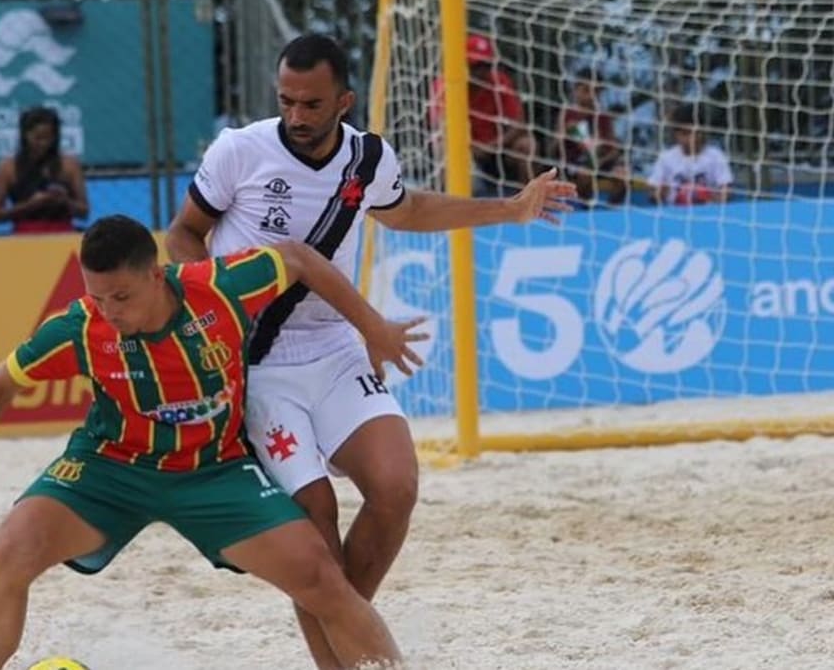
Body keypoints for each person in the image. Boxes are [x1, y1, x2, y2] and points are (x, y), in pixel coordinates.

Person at [167, 33, 576, 670]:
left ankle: (344, 636)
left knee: (396, 487)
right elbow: (184, 235)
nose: (297, 116)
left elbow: (406, 209)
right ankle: (348, 654)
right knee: (316, 523)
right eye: (287, 102)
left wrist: (511, 208)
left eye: (311, 104)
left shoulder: (368, 159)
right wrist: (219, 302)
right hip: (258, 363)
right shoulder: (238, 151)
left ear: (345, 101)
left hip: (335, 348)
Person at [0, 215, 426, 670]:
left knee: (319, 575)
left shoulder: (219, 287)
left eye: (120, 296)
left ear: (156, 274)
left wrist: (372, 327)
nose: (109, 311)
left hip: (214, 471)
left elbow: (299, 257)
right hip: (110, 469)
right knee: (12, 547)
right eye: (97, 297)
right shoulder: (82, 327)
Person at [429, 33, 537, 193]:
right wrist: (470, 148)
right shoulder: (446, 85)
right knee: (441, 147)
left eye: (486, 65)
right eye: (475, 66)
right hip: (463, 148)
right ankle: (449, 200)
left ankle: (530, 200)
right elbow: (442, 128)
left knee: (527, 144)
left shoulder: (500, 82)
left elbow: (519, 124)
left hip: (496, 146)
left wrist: (491, 146)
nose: (482, 71)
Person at [0, 106, 89, 234]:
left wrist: (64, 201)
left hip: (63, 233)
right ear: (25, 135)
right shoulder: (8, 167)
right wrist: (29, 205)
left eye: (48, 138)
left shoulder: (69, 165)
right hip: (25, 235)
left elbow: (84, 211)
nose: (43, 143)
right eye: (37, 138)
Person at [556, 69, 629, 205]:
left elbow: (614, 148)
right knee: (585, 174)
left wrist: (602, 160)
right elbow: (557, 146)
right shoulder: (567, 113)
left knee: (622, 174)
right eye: (586, 90)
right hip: (576, 162)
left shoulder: (603, 116)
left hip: (600, 160)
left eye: (596, 92)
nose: (591, 96)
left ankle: (612, 210)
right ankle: (586, 207)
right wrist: (566, 132)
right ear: (576, 90)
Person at [648, 103, 734, 205]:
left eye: (696, 132)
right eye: (685, 133)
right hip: (675, 213)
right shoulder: (666, 158)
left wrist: (712, 197)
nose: (692, 138)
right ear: (676, 134)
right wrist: (660, 193)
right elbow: (652, 193)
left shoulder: (715, 156)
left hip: (709, 212)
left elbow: (726, 189)